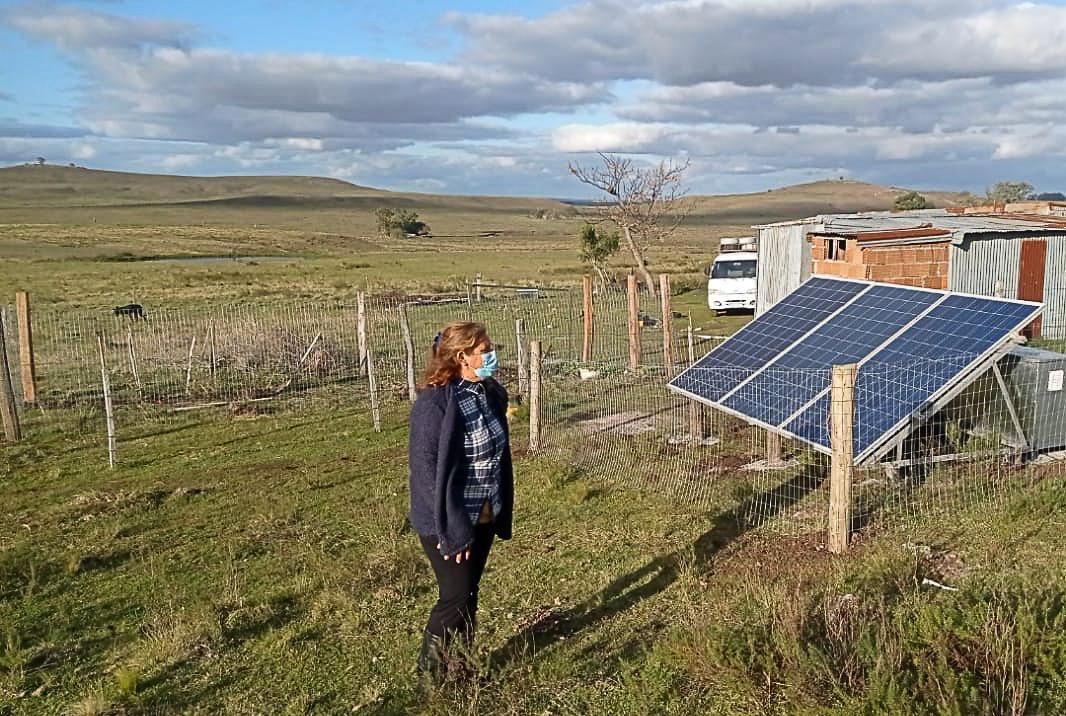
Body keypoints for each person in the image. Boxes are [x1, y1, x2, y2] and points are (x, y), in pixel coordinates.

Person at [407, 321, 514, 683]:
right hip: (447, 521)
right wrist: (451, 532)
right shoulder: (435, 403)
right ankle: (429, 676)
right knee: (454, 596)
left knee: (469, 593)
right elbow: (425, 474)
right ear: (461, 356)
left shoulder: (489, 393)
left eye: (490, 347)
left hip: (483, 512)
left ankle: (463, 667)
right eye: (484, 350)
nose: (491, 355)